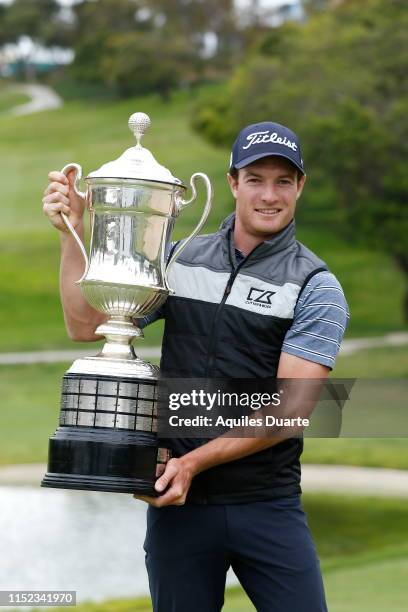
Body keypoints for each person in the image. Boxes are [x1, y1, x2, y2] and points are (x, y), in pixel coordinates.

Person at [43, 120, 349, 612]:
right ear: (232, 183)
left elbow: (292, 408)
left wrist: (192, 463)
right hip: (178, 509)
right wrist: (71, 234)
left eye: (283, 181)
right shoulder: (180, 260)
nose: (269, 195)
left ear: (299, 187)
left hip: (266, 505)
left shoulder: (316, 286)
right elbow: (88, 324)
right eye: (255, 179)